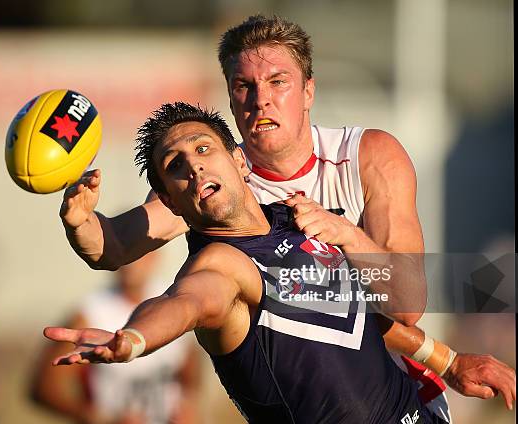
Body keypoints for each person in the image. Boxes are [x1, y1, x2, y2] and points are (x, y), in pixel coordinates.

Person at [58, 15, 515, 417]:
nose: (262, 100)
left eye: (278, 81)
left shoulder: (368, 158)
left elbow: (407, 302)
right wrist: (81, 221)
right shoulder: (215, 190)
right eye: (245, 86)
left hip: (398, 394)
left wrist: (347, 238)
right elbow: (117, 248)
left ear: (308, 90)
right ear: (232, 100)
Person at [46, 104, 450, 423]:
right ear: (168, 200)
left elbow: (352, 314)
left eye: (203, 148)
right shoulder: (220, 265)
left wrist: (449, 361)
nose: (194, 165)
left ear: (240, 162)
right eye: (175, 165)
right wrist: (134, 338)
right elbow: (185, 302)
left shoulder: (296, 218)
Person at [31, 252, 200, 424]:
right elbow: (44, 387)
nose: (132, 261)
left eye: (140, 250)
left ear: (156, 254)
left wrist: (187, 405)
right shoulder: (90, 312)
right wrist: (101, 419)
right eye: (126, 247)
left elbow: (188, 371)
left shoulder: (174, 302)